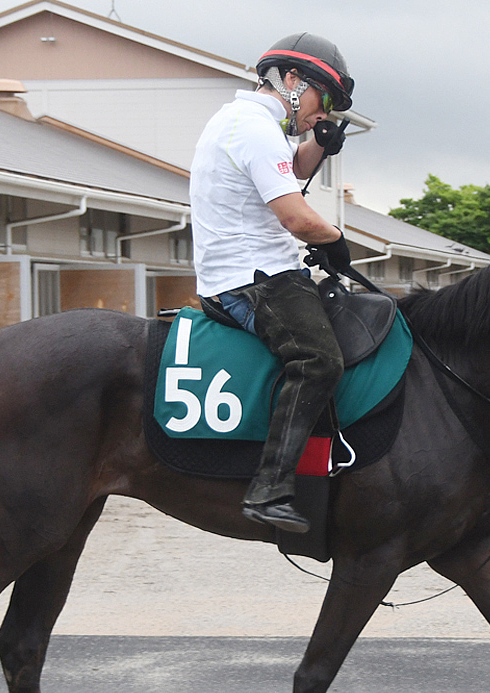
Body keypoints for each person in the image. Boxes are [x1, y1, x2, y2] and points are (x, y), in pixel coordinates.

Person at [189, 33, 356, 534]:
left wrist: (316, 146)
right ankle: (269, 489)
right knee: (319, 360)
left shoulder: (255, 125)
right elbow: (297, 217)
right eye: (320, 100)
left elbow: (288, 173)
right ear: (290, 80)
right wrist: (336, 238)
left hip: (264, 269)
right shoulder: (252, 127)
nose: (320, 114)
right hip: (250, 279)